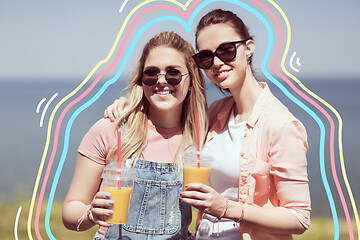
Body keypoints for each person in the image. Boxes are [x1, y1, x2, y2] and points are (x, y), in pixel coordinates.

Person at [104, 9, 311, 240]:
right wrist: (131, 105)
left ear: (249, 48)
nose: (217, 62)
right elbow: (167, 116)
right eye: (206, 57)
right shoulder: (214, 113)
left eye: (226, 50)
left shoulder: (281, 125)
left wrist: (226, 207)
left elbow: (299, 218)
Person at [62, 31, 208, 240]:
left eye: (173, 73)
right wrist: (91, 213)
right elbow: (70, 210)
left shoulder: (202, 136)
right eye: (151, 73)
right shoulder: (110, 130)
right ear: (141, 80)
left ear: (191, 80)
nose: (161, 81)